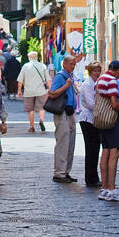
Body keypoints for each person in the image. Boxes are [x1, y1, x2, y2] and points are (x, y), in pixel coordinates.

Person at [95, 59, 119, 202]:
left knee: (105, 151)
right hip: (112, 120)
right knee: (114, 152)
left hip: (101, 120)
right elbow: (115, 104)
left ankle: (104, 188)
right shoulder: (111, 81)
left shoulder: (100, 79)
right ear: (117, 71)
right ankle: (112, 188)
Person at [48, 54, 78, 183]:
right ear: (64, 64)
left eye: (74, 64)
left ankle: (66, 171)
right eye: (71, 64)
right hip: (62, 113)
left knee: (70, 143)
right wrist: (66, 86)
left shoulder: (69, 77)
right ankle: (59, 173)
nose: (73, 66)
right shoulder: (60, 77)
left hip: (70, 113)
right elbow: (52, 93)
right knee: (63, 143)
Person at [76, 60, 103, 188]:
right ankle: (91, 179)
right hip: (87, 119)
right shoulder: (87, 84)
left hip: (93, 119)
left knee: (95, 149)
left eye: (98, 70)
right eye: (95, 71)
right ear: (90, 72)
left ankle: (93, 177)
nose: (97, 73)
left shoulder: (95, 83)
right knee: (91, 149)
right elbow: (90, 103)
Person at [17, 50, 49, 132]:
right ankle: (41, 120)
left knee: (31, 109)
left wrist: (19, 90)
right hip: (41, 90)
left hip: (28, 91)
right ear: (37, 57)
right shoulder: (43, 66)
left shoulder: (25, 66)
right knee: (42, 107)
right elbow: (48, 79)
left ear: (29, 58)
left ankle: (31, 126)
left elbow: (20, 80)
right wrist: (50, 89)